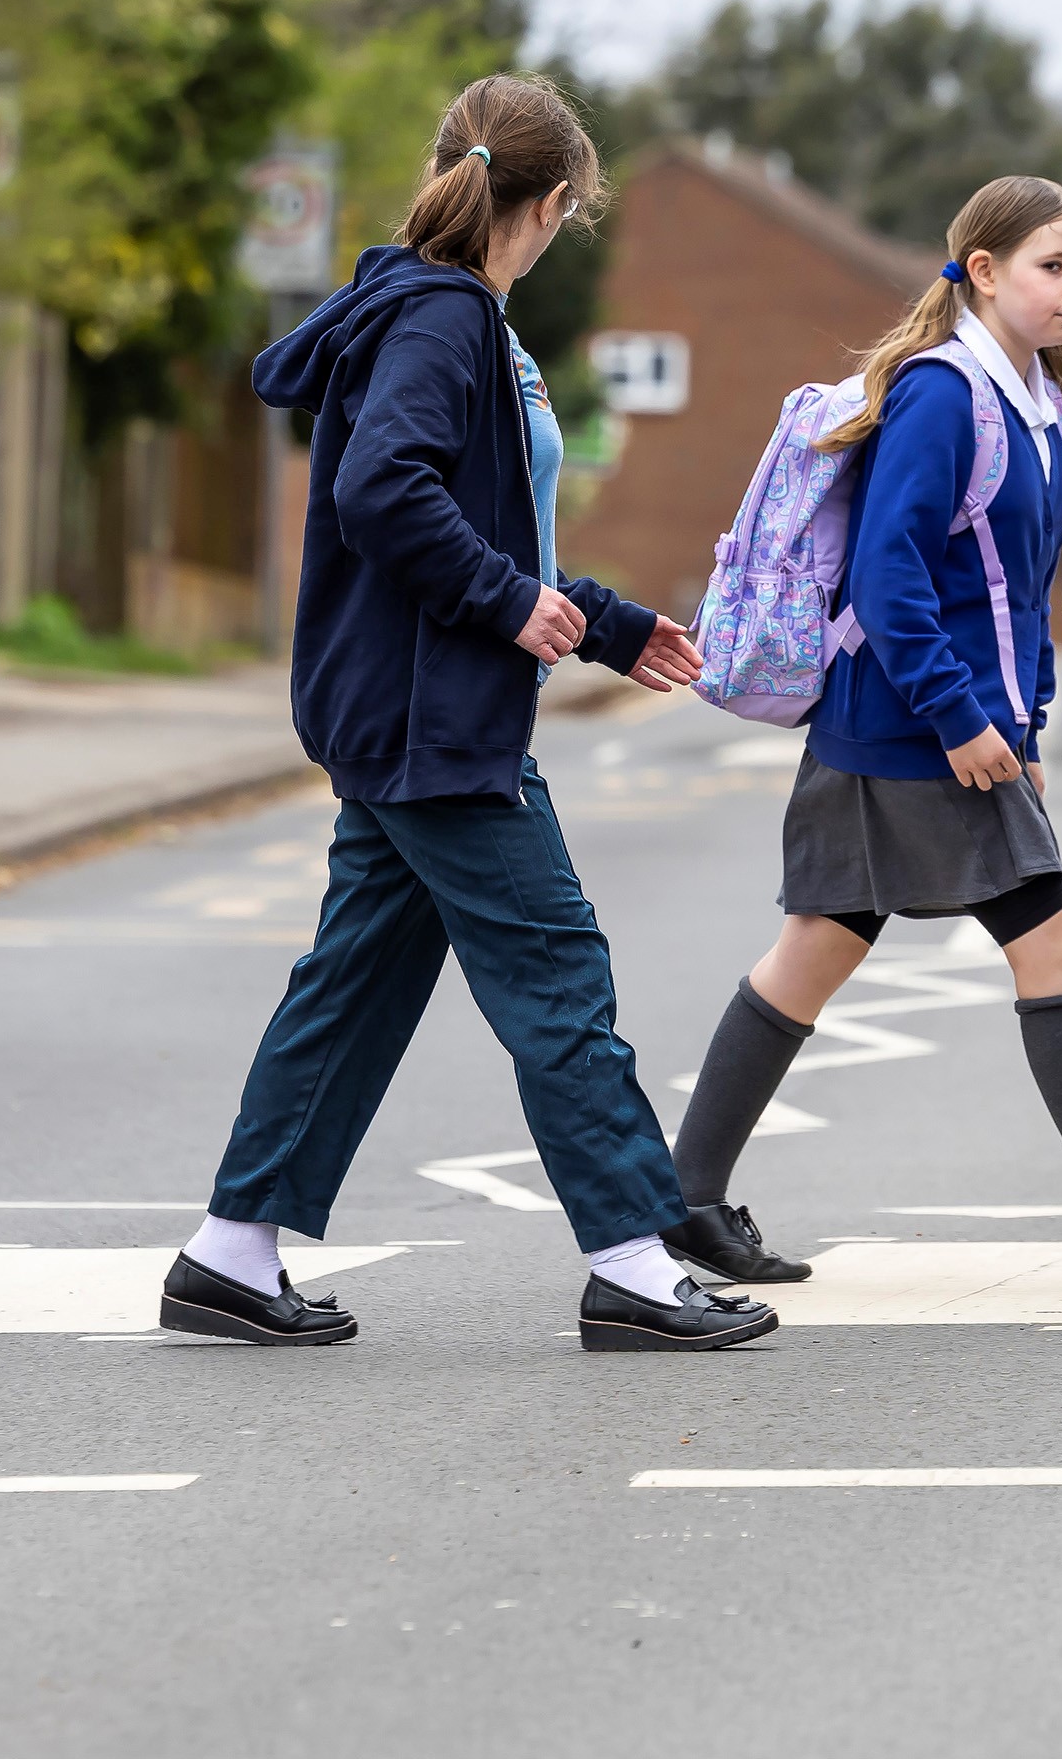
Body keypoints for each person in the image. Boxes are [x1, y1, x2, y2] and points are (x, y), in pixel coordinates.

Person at [164, 74, 763, 1354]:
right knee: (559, 973)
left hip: (414, 702)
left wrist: (597, 618)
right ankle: (634, 1260)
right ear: (549, 205)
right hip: (431, 716)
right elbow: (387, 490)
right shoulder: (444, 319)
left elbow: (486, 520)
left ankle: (230, 1248)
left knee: (355, 983)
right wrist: (506, 602)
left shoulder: (441, 313)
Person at [660, 177, 1062, 1293]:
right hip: (910, 729)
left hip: (926, 728)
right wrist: (961, 716)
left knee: (817, 949)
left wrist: (1025, 717)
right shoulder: (945, 393)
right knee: (1053, 938)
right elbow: (888, 578)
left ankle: (684, 1199)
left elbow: (1019, 591)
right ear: (982, 271)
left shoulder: (1030, 398)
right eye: (1052, 266)